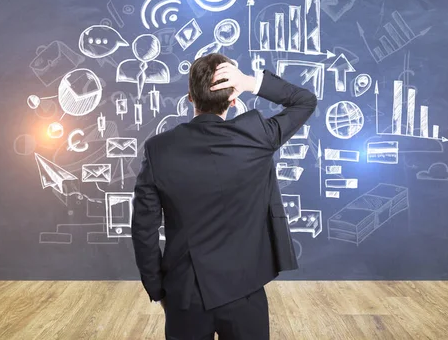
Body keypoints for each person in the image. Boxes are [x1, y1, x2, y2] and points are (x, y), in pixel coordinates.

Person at [131, 53, 317, 339]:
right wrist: (249, 82)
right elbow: (305, 100)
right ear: (233, 99)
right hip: (245, 289)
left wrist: (157, 287)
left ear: (190, 98)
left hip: (184, 292)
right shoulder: (258, 136)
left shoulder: (158, 149)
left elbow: (143, 229)